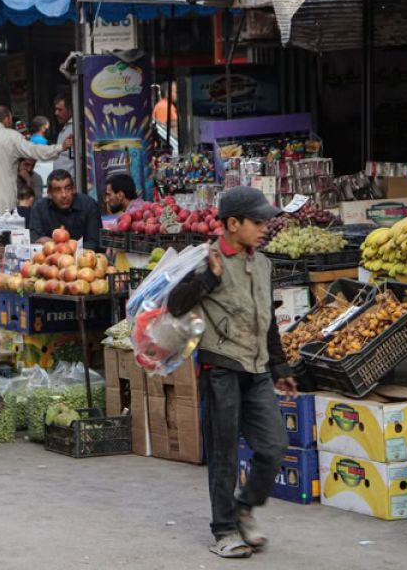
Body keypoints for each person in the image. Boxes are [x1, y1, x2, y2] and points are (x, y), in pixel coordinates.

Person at [167, 186, 296, 559]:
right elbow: (175, 304)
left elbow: (267, 321)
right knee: (223, 455)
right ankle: (224, 530)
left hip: (256, 369)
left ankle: (244, 505)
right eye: (257, 222)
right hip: (220, 368)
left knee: (274, 447)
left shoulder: (263, 263)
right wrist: (208, 279)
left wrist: (279, 366)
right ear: (232, 224)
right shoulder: (206, 260)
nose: (264, 228)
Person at [0, 106, 69, 233]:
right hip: (2, 195)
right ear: (7, 119)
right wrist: (59, 148)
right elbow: (34, 150)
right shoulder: (11, 136)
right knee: (1, 237)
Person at [29, 169, 101, 251]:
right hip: (49, 260)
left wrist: (58, 245)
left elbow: (95, 243)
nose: (64, 195)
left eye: (68, 188)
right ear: (49, 194)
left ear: (74, 189)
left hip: (84, 260)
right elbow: (36, 241)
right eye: (57, 190)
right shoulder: (39, 208)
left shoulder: (89, 205)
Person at [52, 94, 76, 180]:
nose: (56, 113)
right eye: (56, 109)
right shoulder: (66, 128)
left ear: (70, 110)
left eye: (60, 110)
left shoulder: (75, 128)